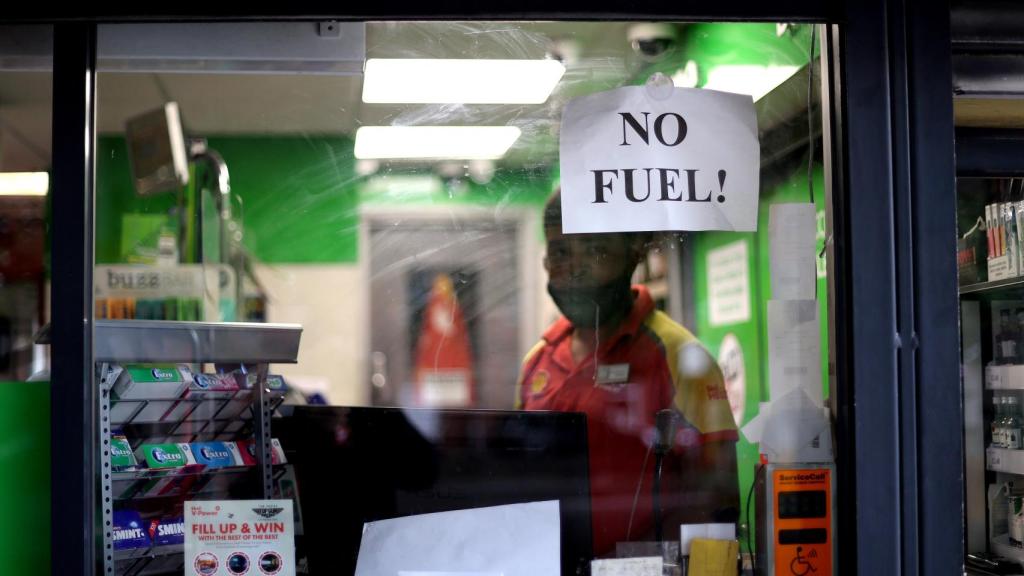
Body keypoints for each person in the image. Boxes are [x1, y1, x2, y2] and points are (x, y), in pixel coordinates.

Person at [515, 190, 739, 556]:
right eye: (560, 254)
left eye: (596, 250)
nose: (575, 269)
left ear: (634, 249)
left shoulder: (681, 357)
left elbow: (719, 501)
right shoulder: (535, 364)